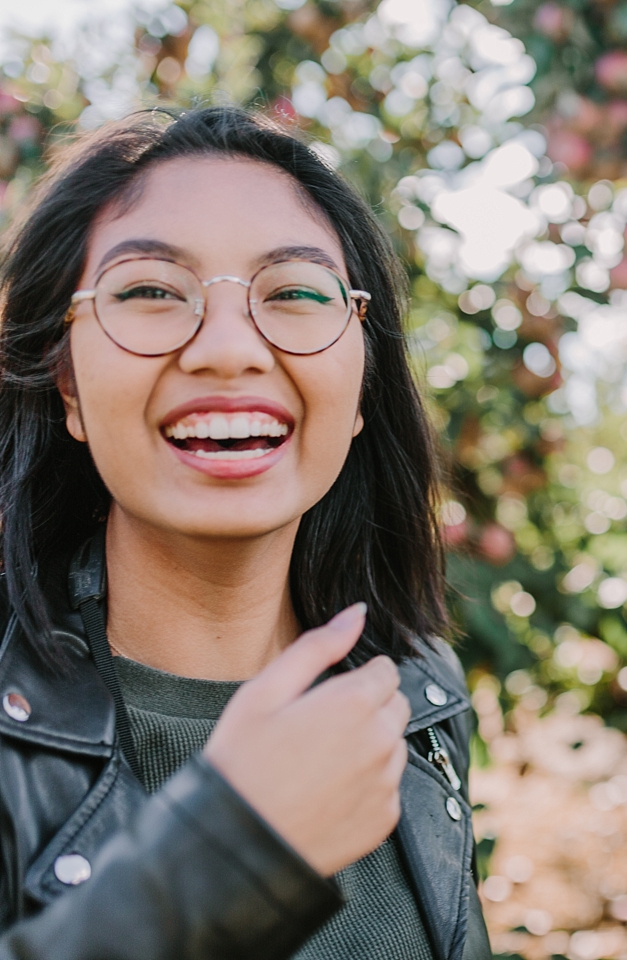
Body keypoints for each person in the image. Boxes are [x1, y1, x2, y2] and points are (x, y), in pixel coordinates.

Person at [0, 106, 491, 959]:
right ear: (69, 386)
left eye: (296, 293)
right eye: (150, 290)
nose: (228, 350)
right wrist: (227, 863)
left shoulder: (415, 690)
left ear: (362, 381)